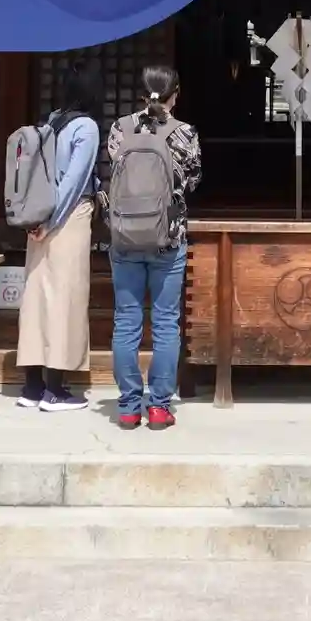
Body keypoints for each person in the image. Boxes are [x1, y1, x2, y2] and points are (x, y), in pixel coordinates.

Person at [101, 63, 201, 431]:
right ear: (177, 94)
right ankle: (158, 407)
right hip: (168, 239)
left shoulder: (120, 129)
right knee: (166, 323)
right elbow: (192, 180)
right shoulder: (184, 133)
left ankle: (129, 407)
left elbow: (114, 172)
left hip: (125, 237)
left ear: (142, 94)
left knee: (126, 321)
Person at [16, 67, 102, 412]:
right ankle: (55, 390)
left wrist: (37, 221)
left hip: (36, 218)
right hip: (68, 218)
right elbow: (74, 183)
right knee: (66, 298)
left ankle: (32, 387)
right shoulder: (87, 128)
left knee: (36, 297)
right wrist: (51, 222)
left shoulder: (51, 122)